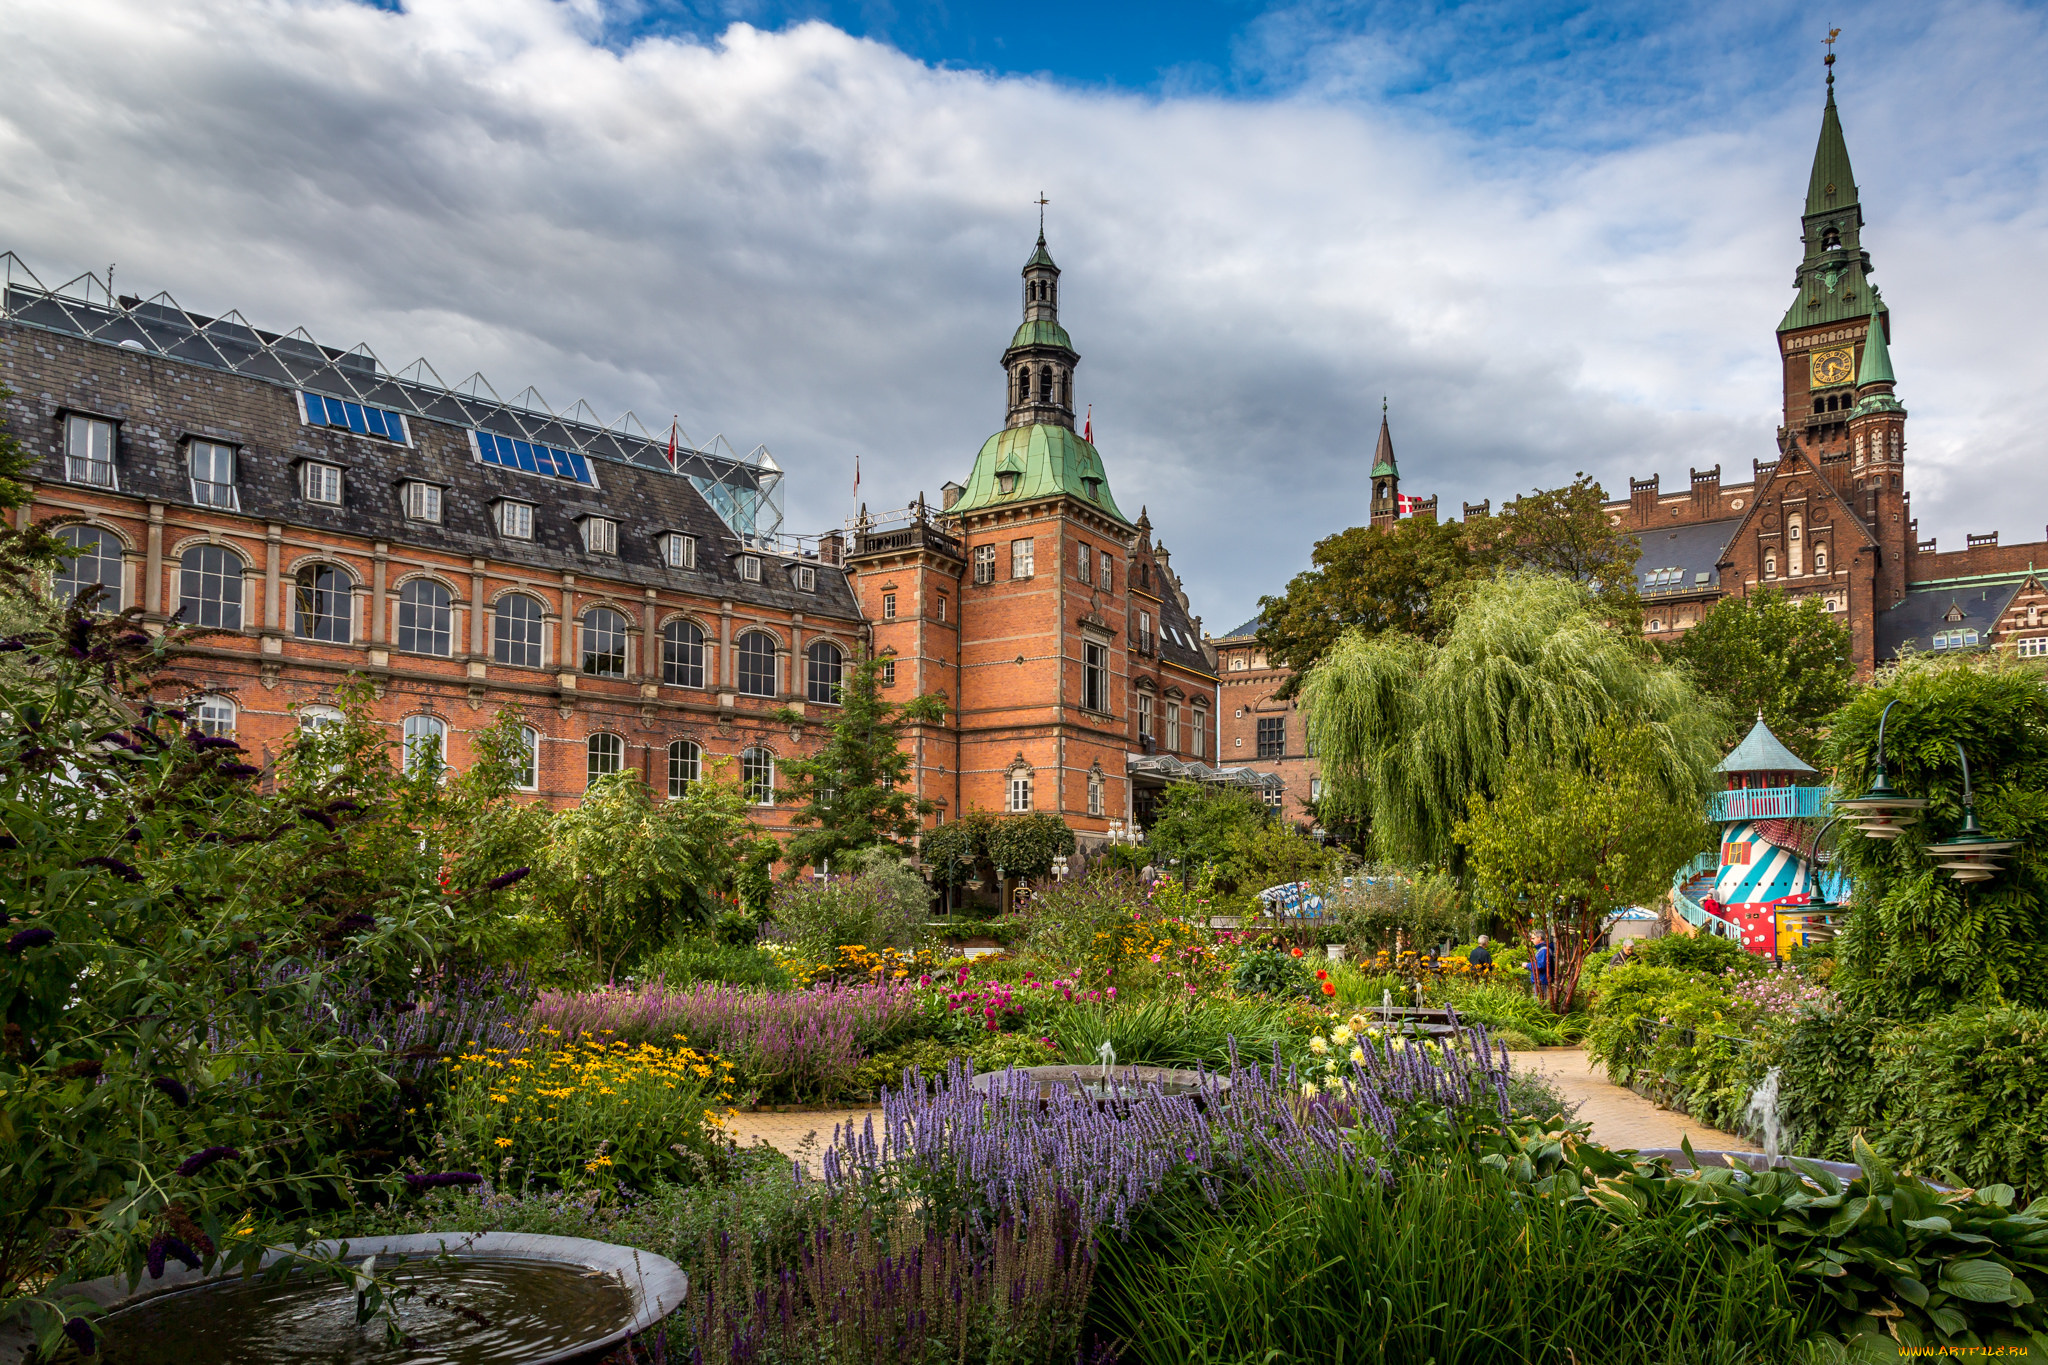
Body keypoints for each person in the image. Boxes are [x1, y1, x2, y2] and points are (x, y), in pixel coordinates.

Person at [1530, 932, 1553, 999]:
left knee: (1539, 1002)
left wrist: (1528, 965)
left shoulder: (1544, 950)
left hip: (1542, 980)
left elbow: (1540, 966)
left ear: (1539, 938)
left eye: (1533, 938)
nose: (1532, 940)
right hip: (1541, 980)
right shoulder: (1542, 949)